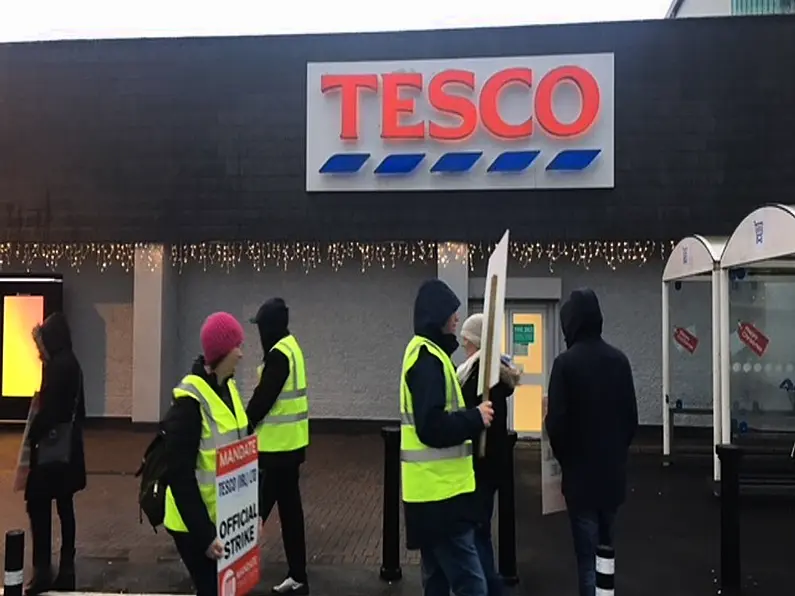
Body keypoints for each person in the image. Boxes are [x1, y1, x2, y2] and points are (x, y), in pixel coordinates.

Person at [400, 279, 495, 596]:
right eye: (452, 314)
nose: (457, 319)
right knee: (472, 585)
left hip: (431, 497)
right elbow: (432, 426)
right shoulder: (428, 360)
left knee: (438, 582)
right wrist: (475, 417)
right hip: (441, 500)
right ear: (437, 316)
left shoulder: (428, 355)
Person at [544, 289, 638, 596]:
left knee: (586, 560)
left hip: (580, 481)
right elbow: (631, 421)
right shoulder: (620, 361)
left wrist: (568, 461)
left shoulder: (565, 365)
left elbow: (556, 425)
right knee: (606, 554)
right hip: (612, 478)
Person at [162, 312, 254, 596]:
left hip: (225, 521)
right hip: (194, 527)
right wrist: (204, 535)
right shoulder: (189, 404)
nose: (241, 353)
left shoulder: (229, 390)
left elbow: (244, 456)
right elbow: (178, 475)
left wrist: (254, 512)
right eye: (237, 345)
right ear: (223, 352)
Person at [246, 298, 309, 595]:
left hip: (277, 450)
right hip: (291, 445)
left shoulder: (278, 355)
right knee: (288, 511)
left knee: (255, 510)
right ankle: (298, 576)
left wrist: (243, 425)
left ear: (269, 327)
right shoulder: (292, 348)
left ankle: (232, 565)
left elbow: (264, 397)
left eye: (260, 327)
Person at [457, 313, 521, 596]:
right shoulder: (493, 374)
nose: (463, 348)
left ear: (476, 342)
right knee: (479, 530)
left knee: (475, 533)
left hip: (480, 466)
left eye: (467, 342)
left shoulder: (480, 376)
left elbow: (473, 417)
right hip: (491, 466)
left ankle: (488, 589)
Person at [25, 312, 86, 595]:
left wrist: (32, 433)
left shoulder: (57, 367)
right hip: (69, 452)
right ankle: (67, 568)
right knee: (65, 508)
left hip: (51, 454)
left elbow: (49, 412)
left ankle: (42, 571)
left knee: (37, 504)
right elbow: (79, 412)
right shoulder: (73, 363)